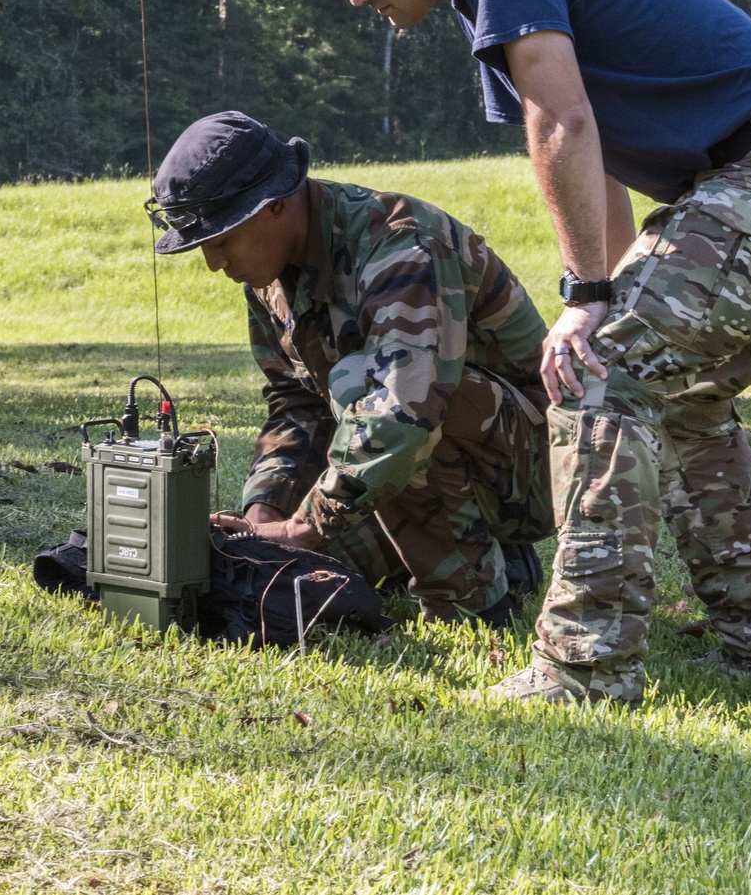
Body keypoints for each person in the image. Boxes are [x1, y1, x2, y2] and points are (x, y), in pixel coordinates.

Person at [285, 0, 751, 706]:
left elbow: (561, 121)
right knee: (675, 392)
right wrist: (598, 294)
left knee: (600, 379)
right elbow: (594, 152)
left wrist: (588, 300)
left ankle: (584, 667)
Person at [147, 109, 555, 625]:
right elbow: (294, 403)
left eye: (221, 241)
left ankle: (475, 602)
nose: (214, 263)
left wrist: (304, 527)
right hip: (431, 459)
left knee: (362, 387)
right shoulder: (267, 275)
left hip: (537, 468)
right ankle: (494, 551)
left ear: (272, 206)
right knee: (290, 578)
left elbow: (403, 412)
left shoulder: (398, 246)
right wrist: (265, 518)